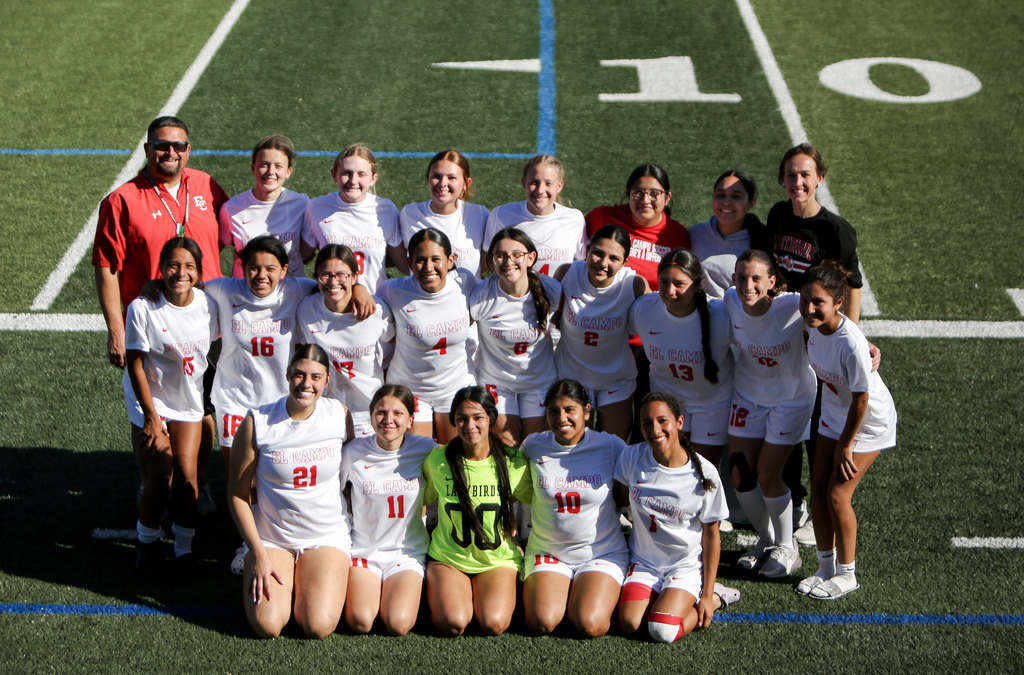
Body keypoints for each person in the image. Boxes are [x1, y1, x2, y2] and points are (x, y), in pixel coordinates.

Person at [227, 344, 351, 638]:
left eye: (315, 377)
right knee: (267, 625)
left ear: (327, 380)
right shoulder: (258, 422)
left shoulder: (339, 415)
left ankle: (308, 579)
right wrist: (257, 552)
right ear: (287, 374)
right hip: (272, 537)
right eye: (299, 375)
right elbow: (236, 494)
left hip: (325, 534)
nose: (306, 384)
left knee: (317, 625)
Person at [94, 115, 226, 368]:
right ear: (147, 149)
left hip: (209, 322)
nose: (170, 152)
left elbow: (224, 237)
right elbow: (107, 268)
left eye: (178, 146)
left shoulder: (206, 184)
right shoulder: (121, 200)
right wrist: (116, 331)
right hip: (154, 326)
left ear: (188, 150)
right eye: (162, 145)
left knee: (211, 404)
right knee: (155, 407)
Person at [797, 262, 896, 600]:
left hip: (867, 421)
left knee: (838, 495)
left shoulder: (849, 343)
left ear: (838, 303)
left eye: (819, 302)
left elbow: (862, 399)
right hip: (836, 411)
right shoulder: (811, 326)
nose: (810, 308)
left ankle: (847, 574)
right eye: (805, 299)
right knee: (819, 490)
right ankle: (825, 568)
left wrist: (847, 445)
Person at [124, 237, 215, 578]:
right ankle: (146, 545)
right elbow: (134, 363)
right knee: (161, 475)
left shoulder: (209, 304)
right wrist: (150, 416)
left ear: (199, 271)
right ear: (161, 268)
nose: (181, 273)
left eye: (189, 266)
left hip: (187, 398)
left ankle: (183, 548)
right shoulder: (143, 306)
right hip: (151, 397)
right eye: (173, 265)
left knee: (188, 477)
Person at [615, 393, 738, 643]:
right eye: (646, 423)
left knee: (662, 630)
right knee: (629, 623)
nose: (655, 430)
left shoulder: (705, 475)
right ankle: (666, 599)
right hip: (644, 562)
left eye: (663, 421)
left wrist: (706, 593)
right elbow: (618, 500)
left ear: (679, 422)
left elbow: (712, 536)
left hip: (684, 567)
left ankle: (716, 598)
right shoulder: (631, 457)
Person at [724, 250, 815, 578]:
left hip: (790, 399)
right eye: (741, 277)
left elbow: (831, 316)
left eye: (756, 279)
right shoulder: (730, 300)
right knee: (739, 473)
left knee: (768, 473)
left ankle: (787, 547)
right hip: (748, 394)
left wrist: (866, 345)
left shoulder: (792, 306)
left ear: (772, 282)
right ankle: (765, 540)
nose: (747, 286)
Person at [519, 380, 628, 637]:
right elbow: (515, 491)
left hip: (601, 552)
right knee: (541, 621)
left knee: (590, 624)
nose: (562, 418)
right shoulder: (533, 445)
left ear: (587, 411)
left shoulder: (611, 445)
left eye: (570, 410)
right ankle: (564, 592)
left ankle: (584, 592)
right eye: (554, 411)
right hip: (548, 552)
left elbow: (634, 488)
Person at [422, 386, 532, 636]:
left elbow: (539, 499)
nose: (469, 425)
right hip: (449, 558)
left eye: (477, 417)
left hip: (496, 560)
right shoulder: (438, 460)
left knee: (494, 623)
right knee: (453, 622)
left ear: (491, 419)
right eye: (461, 418)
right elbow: (419, 497)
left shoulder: (512, 461)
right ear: (452, 421)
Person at [341, 385, 435, 635]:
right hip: (364, 551)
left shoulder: (425, 448)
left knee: (398, 623)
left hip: (407, 552)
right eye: (381, 412)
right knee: (360, 621)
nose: (388, 420)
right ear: (371, 416)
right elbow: (334, 492)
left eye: (398, 413)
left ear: (411, 419)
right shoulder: (353, 452)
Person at [627, 250, 733, 467]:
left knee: (703, 470)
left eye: (679, 283)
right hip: (668, 402)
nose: (669, 291)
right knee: (668, 467)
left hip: (712, 404)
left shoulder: (721, 314)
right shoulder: (644, 309)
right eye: (664, 282)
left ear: (697, 285)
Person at [378, 228, 476, 443]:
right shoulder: (393, 290)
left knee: (454, 459)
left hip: (454, 387)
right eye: (420, 260)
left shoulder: (465, 283)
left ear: (451, 260)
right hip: (410, 390)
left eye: (436, 259)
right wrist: (357, 289)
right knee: (417, 459)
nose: (428, 268)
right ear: (409, 262)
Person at [469, 228, 561, 446]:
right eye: (500, 255)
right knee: (508, 452)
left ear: (531, 258)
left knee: (536, 449)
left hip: (539, 383)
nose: (508, 261)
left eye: (516, 255)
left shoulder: (551, 290)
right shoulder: (481, 296)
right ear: (491, 262)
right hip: (497, 384)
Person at [555, 225, 647, 441]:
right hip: (571, 377)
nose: (603, 263)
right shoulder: (567, 273)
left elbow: (654, 324)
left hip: (615, 380)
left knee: (612, 451)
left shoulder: (634, 285)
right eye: (598, 253)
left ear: (625, 262)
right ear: (587, 250)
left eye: (614, 258)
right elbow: (550, 317)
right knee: (570, 449)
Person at [297, 245, 394, 438]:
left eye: (341, 275)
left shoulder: (377, 312)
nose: (333, 282)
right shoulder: (306, 310)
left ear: (354, 276)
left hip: (369, 413)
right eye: (325, 275)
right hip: (324, 411)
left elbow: (395, 343)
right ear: (316, 276)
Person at [768, 144, 863, 321]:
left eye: (805, 175)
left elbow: (853, 285)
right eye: (791, 175)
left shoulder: (836, 229)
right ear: (783, 179)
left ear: (819, 178)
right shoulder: (778, 213)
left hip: (815, 319)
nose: (797, 183)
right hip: (781, 316)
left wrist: (849, 332)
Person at [302, 145, 408, 294]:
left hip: (376, 303)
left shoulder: (385, 209)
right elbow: (300, 255)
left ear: (373, 178)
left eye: (361, 174)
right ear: (334, 175)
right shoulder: (316, 207)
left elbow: (401, 262)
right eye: (346, 173)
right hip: (333, 303)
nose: (353, 180)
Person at [583, 163, 689, 290]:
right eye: (638, 192)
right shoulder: (600, 217)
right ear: (628, 194)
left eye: (654, 193)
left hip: (649, 306)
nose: (645, 200)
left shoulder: (679, 236)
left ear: (667, 198)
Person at [219, 134, 309, 279]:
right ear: (253, 167)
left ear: (288, 172)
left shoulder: (302, 204)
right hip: (246, 294)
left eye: (278, 166)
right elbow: (217, 248)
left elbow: (309, 250)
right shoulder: (231, 209)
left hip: (291, 293)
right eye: (264, 164)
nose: (270, 172)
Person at [482, 155, 585, 278]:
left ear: (559, 186)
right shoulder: (501, 215)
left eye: (548, 183)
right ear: (524, 183)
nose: (540, 190)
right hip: (514, 296)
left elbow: (582, 265)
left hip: (558, 296)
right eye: (534, 182)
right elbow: (486, 262)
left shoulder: (574, 219)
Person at [399, 150, 488, 278]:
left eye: (451, 177)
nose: (442, 184)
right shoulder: (410, 214)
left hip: (468, 297)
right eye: (436, 176)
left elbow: (485, 264)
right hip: (424, 297)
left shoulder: (479, 214)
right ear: (428, 179)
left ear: (466, 184)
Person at [689, 170, 773, 298]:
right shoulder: (694, 234)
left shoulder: (761, 242)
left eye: (736, 196)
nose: (727, 202)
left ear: (751, 203)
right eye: (720, 195)